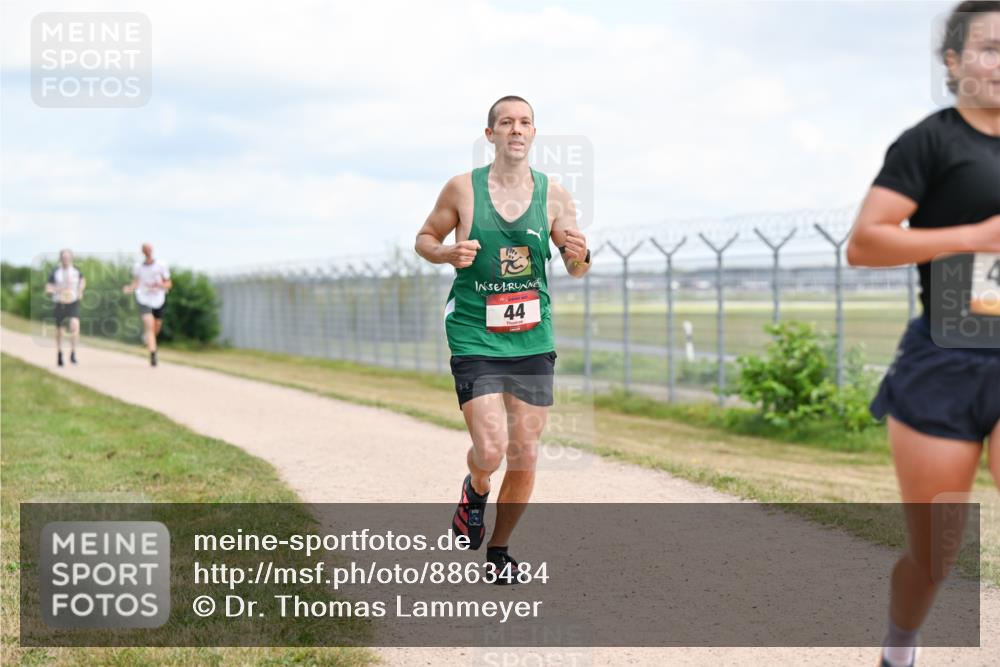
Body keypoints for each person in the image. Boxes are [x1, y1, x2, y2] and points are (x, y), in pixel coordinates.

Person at [846, 3, 1000, 665]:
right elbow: (866, 242)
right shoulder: (931, 141)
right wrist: (976, 236)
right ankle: (899, 648)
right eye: (991, 48)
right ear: (954, 61)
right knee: (937, 552)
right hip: (949, 353)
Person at [415, 96, 591, 583]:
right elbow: (424, 239)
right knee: (491, 449)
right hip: (475, 333)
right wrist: (447, 254)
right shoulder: (462, 190)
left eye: (525, 122)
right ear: (489, 134)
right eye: (506, 122)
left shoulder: (554, 194)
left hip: (533, 337)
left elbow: (575, 266)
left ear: (534, 133)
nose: (516, 129)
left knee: (525, 451)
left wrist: (581, 255)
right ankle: (475, 487)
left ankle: (499, 550)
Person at [123, 243, 172, 367]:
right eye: (146, 250)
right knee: (149, 325)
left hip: (158, 299)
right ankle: (153, 355)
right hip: (143, 298)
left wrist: (161, 285)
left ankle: (148, 340)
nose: (148, 251)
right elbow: (136, 282)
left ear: (152, 250)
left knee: (157, 327)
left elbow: (169, 283)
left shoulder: (161, 265)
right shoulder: (138, 267)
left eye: (150, 249)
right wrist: (130, 288)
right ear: (143, 252)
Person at [45, 249, 86, 367]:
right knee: (60, 331)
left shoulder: (76, 271)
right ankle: (59, 353)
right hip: (60, 302)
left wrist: (80, 291)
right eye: (64, 257)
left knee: (74, 325)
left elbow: (82, 281)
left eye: (68, 257)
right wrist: (58, 290)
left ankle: (73, 353)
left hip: (73, 302)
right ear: (60, 259)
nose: (66, 260)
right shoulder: (55, 273)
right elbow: (48, 288)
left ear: (71, 258)